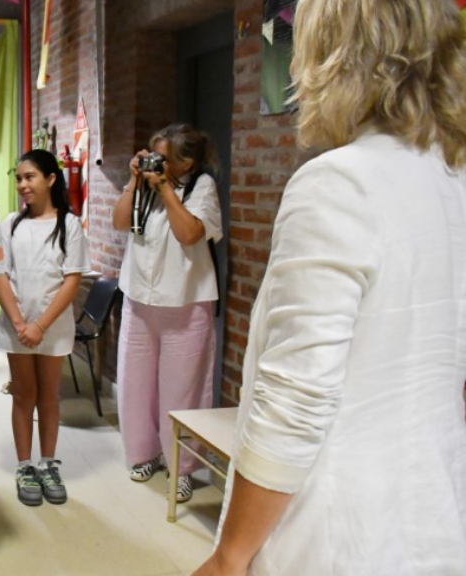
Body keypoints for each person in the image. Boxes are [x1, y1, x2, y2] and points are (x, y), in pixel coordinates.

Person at [194, 1, 466, 574]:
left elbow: (296, 400)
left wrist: (231, 554)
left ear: (333, 56)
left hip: (334, 523)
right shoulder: (452, 178)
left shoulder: (339, 182)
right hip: (431, 507)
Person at [111, 123, 222, 504]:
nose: (154, 163)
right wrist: (134, 181)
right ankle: (144, 453)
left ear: (185, 162)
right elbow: (120, 221)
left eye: (163, 158)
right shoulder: (142, 186)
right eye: (151, 154)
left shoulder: (201, 186)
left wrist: (164, 189)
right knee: (135, 382)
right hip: (139, 299)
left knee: (182, 390)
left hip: (186, 302)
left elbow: (189, 233)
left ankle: (184, 467)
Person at [0, 149, 89, 507]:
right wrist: (20, 322)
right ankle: (24, 465)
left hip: (53, 328)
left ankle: (48, 463)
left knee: (49, 397)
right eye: (18, 178)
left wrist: (41, 325)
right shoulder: (10, 224)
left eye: (30, 177)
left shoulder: (69, 224)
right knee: (23, 395)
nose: (22, 185)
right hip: (17, 328)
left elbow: (72, 278)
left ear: (51, 179)